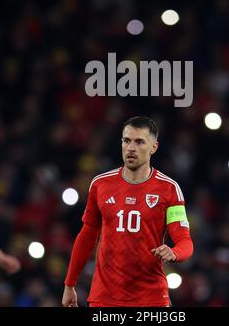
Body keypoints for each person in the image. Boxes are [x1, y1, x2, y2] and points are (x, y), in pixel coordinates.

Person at [62, 116, 193, 307]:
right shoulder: (100, 184)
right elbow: (87, 235)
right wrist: (69, 284)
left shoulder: (169, 189)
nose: (131, 148)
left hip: (151, 298)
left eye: (139, 142)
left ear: (153, 147)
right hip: (105, 298)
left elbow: (185, 240)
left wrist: (174, 252)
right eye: (127, 141)